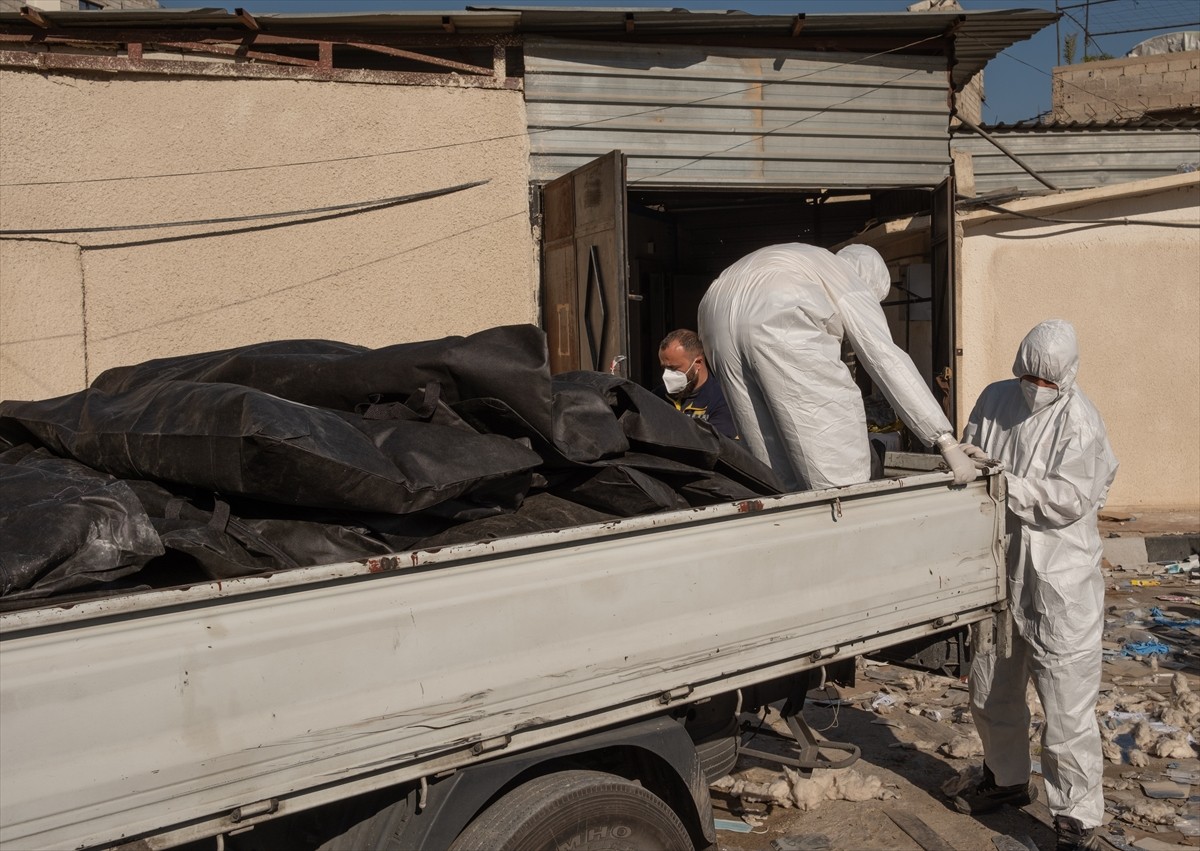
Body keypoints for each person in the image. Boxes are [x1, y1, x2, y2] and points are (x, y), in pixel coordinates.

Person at [953, 319, 1118, 851]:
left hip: (1059, 578)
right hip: (998, 566)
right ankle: (1005, 780)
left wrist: (1000, 479)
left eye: (1046, 379)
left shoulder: (1081, 422)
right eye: (1027, 373)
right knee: (990, 686)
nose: (1034, 385)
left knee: (1066, 705)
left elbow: (1066, 499)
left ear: (1067, 377)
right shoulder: (995, 399)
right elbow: (968, 454)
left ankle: (1076, 814)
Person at [697, 242, 974, 491]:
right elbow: (884, 356)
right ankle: (843, 521)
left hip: (714, 310)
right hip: (780, 306)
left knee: (770, 458)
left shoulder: (810, 260)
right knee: (834, 464)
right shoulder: (849, 277)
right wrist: (944, 440)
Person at [653, 329, 738, 438]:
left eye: (673, 368)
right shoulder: (657, 397)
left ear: (698, 363)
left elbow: (714, 446)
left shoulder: (723, 399)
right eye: (664, 368)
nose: (667, 374)